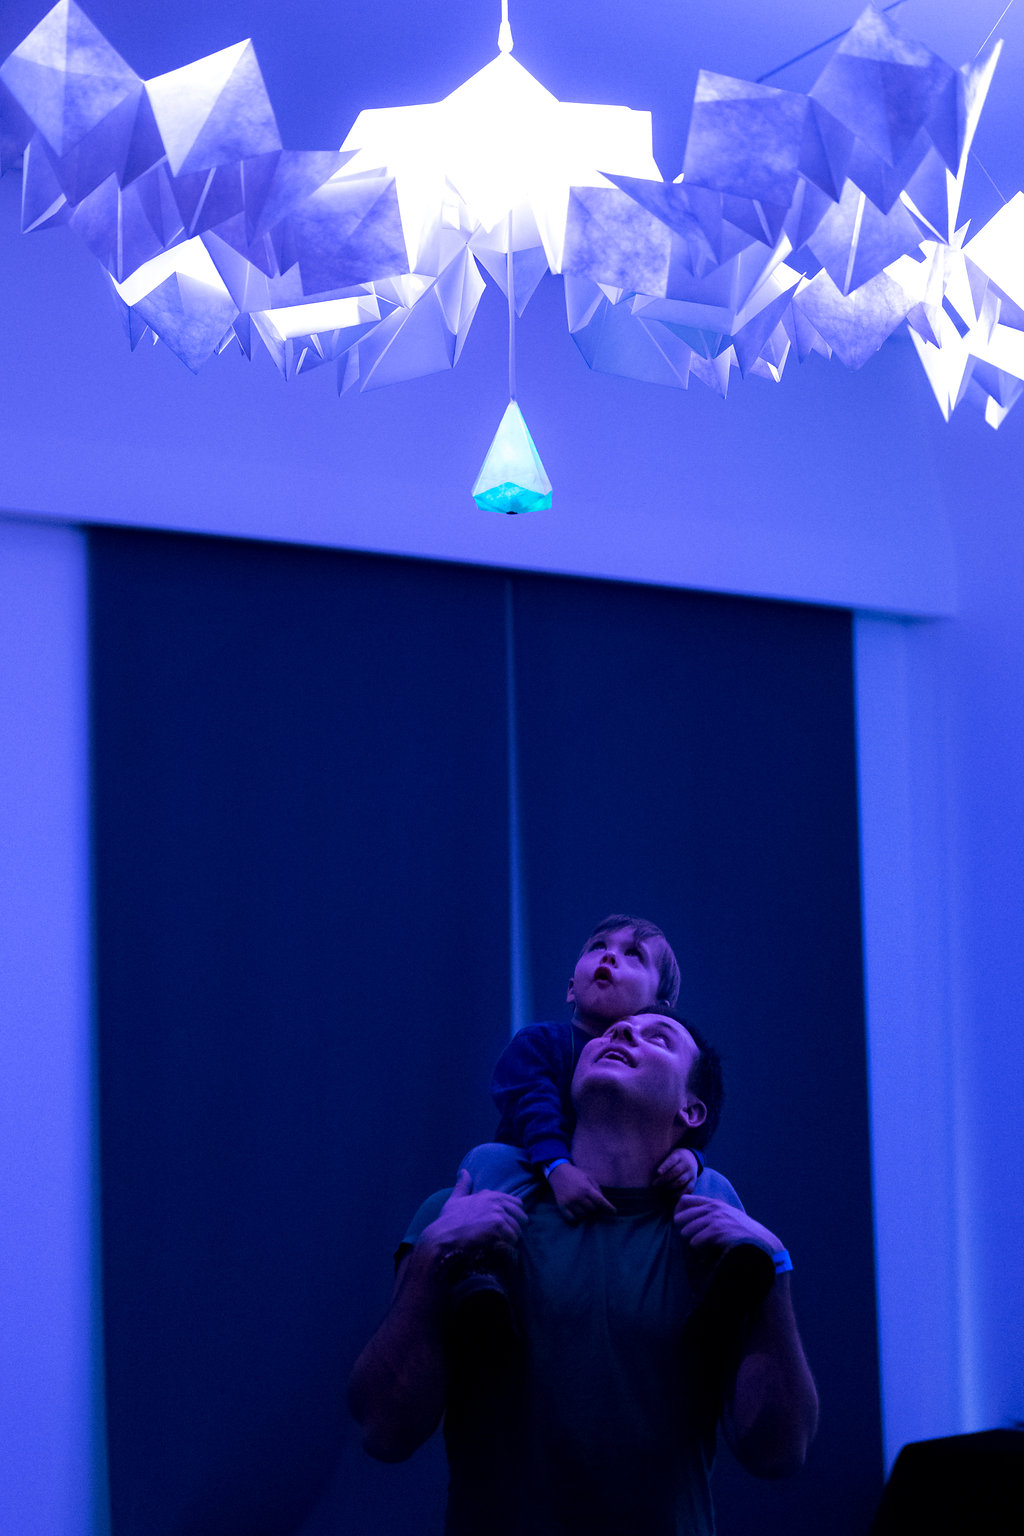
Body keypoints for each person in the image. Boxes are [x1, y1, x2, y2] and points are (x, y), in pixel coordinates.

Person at [349, 1009, 818, 1536]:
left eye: (658, 1037)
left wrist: (773, 1269)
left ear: (691, 1110)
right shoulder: (464, 1210)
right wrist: (431, 1256)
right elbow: (384, 1432)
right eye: (614, 1032)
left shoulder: (719, 1246)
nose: (623, 1030)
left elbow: (779, 1453)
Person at [469, 915, 715, 1221]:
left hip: (622, 1192)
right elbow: (531, 1105)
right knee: (488, 1163)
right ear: (572, 989)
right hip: (530, 1175)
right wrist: (556, 1167)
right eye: (598, 947)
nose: (609, 956)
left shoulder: (659, 1073)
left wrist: (690, 1156)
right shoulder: (541, 1042)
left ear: (659, 1010)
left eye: (634, 954)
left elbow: (679, 1118)